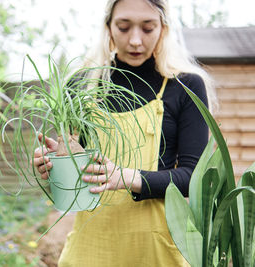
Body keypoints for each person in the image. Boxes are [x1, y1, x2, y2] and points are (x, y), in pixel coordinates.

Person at [33, 0, 217, 266]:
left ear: (163, 29)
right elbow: (73, 186)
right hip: (92, 247)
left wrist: (125, 177)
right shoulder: (82, 85)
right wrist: (54, 165)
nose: (134, 40)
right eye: (123, 27)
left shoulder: (185, 85)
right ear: (108, 27)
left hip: (157, 248)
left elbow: (193, 179)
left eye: (147, 28)